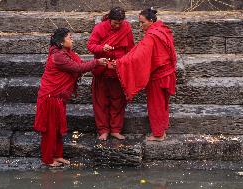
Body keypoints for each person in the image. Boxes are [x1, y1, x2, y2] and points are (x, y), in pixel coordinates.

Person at [34, 28, 107, 167]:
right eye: (69, 37)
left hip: (58, 98)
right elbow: (77, 68)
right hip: (51, 97)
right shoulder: (59, 56)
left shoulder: (66, 53)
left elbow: (79, 64)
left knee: (57, 129)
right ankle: (48, 159)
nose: (72, 39)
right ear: (61, 42)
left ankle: (57, 155)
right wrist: (97, 62)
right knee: (50, 130)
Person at [113, 8, 177, 141]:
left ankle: (158, 134)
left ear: (151, 21)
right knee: (163, 104)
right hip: (167, 73)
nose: (141, 26)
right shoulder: (163, 29)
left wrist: (119, 63)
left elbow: (138, 56)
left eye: (142, 23)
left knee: (156, 105)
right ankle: (162, 130)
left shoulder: (152, 36)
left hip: (158, 76)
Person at [87, 7, 135, 140]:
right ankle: (103, 130)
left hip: (118, 70)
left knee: (118, 101)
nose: (117, 26)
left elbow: (131, 50)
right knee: (100, 101)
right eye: (115, 23)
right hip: (102, 70)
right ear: (109, 19)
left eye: (120, 23)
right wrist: (102, 48)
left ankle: (115, 129)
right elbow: (90, 46)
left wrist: (122, 62)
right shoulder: (100, 28)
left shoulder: (126, 28)